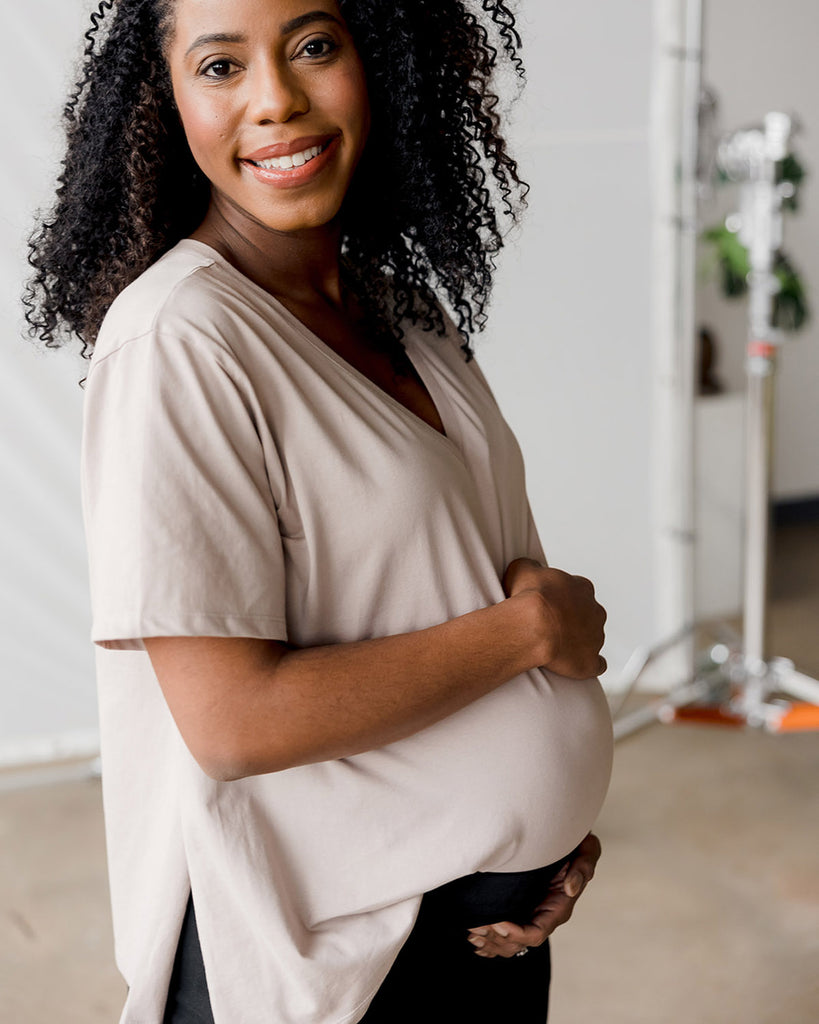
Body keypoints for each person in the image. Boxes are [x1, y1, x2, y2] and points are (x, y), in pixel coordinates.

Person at [24, 0, 614, 1021]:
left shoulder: (404, 315)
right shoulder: (180, 340)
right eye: (220, 65)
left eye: (312, 46)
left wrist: (551, 824)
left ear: (378, 58)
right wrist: (524, 634)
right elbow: (233, 718)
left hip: (478, 929)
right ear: (166, 100)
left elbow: (450, 585)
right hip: (324, 969)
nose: (276, 100)